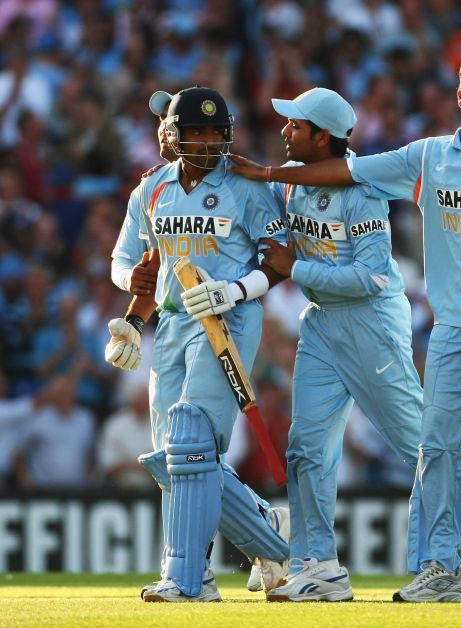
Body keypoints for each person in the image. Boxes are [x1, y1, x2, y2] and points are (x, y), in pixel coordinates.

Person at [229, 49, 461, 601]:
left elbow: (370, 279)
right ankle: (317, 564)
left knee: (419, 442)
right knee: (306, 447)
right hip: (321, 324)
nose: (285, 129)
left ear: (324, 137)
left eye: (296, 124)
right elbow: (247, 193)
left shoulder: (362, 193)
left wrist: (296, 268)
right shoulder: (292, 182)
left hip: (371, 325)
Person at [106, 88, 291, 598]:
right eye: (197, 133)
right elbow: (127, 262)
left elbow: (278, 260)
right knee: (174, 456)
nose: (209, 142)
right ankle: (266, 533)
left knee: (190, 440)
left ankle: (188, 578)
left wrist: (233, 290)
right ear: (173, 136)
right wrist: (133, 311)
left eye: (216, 132)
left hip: (229, 319)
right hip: (172, 323)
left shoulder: (247, 186)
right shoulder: (151, 190)